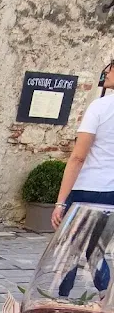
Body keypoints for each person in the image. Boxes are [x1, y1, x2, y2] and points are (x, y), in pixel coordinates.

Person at [52, 59, 114, 230]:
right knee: (101, 244)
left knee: (74, 242)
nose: (106, 72)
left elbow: (78, 157)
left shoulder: (100, 107)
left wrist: (60, 203)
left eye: (111, 68)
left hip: (90, 188)